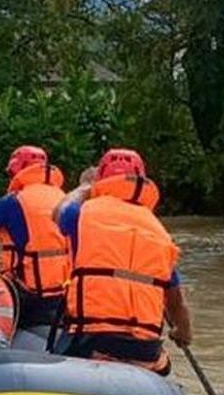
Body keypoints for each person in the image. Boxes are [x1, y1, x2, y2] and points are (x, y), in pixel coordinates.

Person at [51, 148, 193, 375]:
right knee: (162, 362)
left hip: (90, 340)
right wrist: (182, 332)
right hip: (144, 349)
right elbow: (177, 303)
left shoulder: (83, 214)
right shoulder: (159, 232)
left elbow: (58, 213)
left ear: (101, 180)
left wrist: (85, 187)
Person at [0, 145, 70, 327]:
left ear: (17, 170)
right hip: (62, 296)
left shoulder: (13, 201)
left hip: (25, 296)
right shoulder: (65, 199)